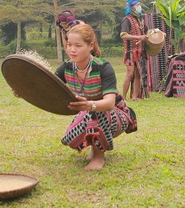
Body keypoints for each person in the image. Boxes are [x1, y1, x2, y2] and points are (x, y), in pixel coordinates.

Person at [58, 23, 137, 170]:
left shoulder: (103, 68)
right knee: (70, 138)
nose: (72, 49)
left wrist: (89, 105)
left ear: (91, 45)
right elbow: (48, 87)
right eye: (69, 44)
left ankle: (99, 157)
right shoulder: (66, 67)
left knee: (95, 112)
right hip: (88, 113)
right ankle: (94, 145)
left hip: (115, 115)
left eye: (78, 45)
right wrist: (24, 90)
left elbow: (109, 103)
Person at [120, 0, 148, 100]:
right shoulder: (126, 20)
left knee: (138, 75)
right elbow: (123, 35)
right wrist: (138, 37)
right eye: (137, 5)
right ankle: (123, 98)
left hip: (139, 51)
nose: (139, 7)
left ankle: (135, 97)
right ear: (131, 8)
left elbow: (146, 32)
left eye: (139, 5)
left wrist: (157, 33)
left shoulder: (139, 20)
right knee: (130, 74)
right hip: (130, 52)